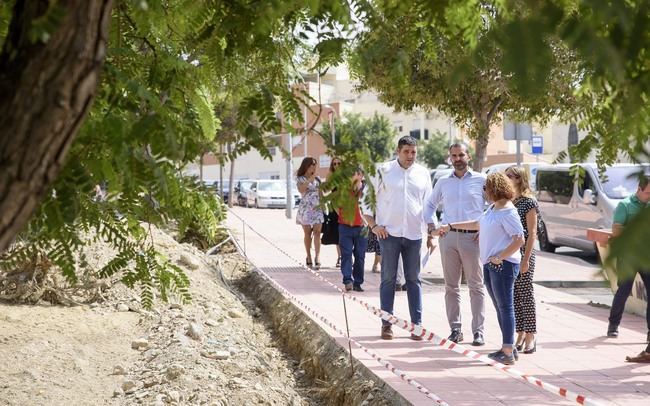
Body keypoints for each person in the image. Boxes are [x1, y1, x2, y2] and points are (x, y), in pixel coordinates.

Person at [434, 172, 525, 365]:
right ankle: (507, 347)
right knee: (500, 307)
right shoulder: (493, 208)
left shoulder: (508, 211)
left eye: (486, 188)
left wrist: (500, 257)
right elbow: (477, 224)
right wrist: (450, 225)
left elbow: (519, 239)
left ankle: (508, 351)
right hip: (490, 264)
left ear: (495, 188)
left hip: (503, 266)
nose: (484, 192)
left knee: (506, 307)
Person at [362, 136, 432, 341]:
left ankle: (416, 325)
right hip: (389, 234)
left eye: (413, 152)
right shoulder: (382, 171)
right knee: (388, 279)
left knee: (413, 280)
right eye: (406, 152)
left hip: (414, 234)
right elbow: (366, 203)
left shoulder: (423, 174)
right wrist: (373, 226)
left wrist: (431, 232)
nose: (410, 156)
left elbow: (429, 206)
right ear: (398, 151)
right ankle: (386, 324)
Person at [424, 143, 487, 346]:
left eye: (461, 155)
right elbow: (430, 205)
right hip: (448, 238)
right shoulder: (443, 182)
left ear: (468, 156)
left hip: (473, 238)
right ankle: (455, 330)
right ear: (449, 158)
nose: (458, 159)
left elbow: (494, 205)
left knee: (476, 286)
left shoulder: (481, 180)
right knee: (451, 287)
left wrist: (483, 228)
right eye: (454, 156)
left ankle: (478, 331)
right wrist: (432, 225)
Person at [606, 175, 650, 342]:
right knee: (623, 291)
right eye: (648, 193)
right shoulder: (625, 205)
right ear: (639, 189)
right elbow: (616, 232)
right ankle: (613, 325)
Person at [506, 165, 540, 354]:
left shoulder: (529, 201)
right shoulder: (509, 200)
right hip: (510, 253)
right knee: (514, 295)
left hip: (524, 252)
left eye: (509, 176)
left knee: (526, 293)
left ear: (519, 179)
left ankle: (531, 334)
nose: (507, 178)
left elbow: (532, 233)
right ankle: (519, 332)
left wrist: (525, 260)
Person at [338, 169, 367, 291]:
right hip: (345, 227)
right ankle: (347, 279)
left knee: (360, 256)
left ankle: (358, 282)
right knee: (346, 254)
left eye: (355, 174)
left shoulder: (366, 190)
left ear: (361, 176)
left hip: (362, 228)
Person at [296, 157, 324, 269]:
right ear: (306, 166)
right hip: (306, 209)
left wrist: (323, 206)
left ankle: (317, 256)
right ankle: (308, 256)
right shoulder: (300, 178)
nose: (313, 167)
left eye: (314, 165)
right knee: (307, 234)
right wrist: (310, 178)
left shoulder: (318, 179)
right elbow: (301, 190)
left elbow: (321, 193)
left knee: (317, 232)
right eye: (311, 165)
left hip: (317, 208)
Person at [322, 158, 342, 267]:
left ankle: (347, 256)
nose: (337, 165)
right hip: (335, 207)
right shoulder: (331, 175)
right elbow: (325, 191)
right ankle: (340, 257)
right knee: (337, 234)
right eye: (334, 164)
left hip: (347, 206)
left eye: (339, 163)